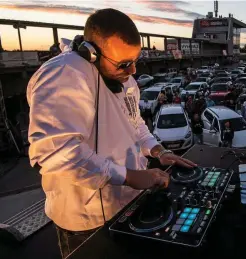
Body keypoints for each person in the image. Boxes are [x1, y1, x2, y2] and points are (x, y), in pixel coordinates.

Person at [26, 9, 195, 258]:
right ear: (91, 53)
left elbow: (135, 123)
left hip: (127, 203)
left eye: (135, 61)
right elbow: (58, 152)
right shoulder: (64, 74)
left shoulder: (122, 77)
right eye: (124, 64)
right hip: (87, 222)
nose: (133, 71)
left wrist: (159, 150)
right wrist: (129, 176)